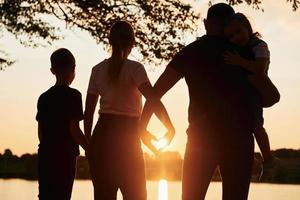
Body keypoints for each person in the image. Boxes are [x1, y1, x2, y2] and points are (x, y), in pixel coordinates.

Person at [140, 3, 279, 200]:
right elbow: (270, 97)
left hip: (200, 140)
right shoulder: (245, 52)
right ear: (230, 23)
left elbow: (156, 93)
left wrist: (142, 125)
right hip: (239, 140)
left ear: (206, 24)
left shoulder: (191, 52)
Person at [84, 20, 174, 200]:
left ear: (110, 41)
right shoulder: (135, 68)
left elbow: (89, 113)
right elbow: (153, 98)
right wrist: (169, 127)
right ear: (132, 43)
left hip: (102, 137)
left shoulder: (97, 70)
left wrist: (89, 145)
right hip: (128, 137)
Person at [223, 13, 280, 177]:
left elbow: (260, 69)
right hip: (242, 94)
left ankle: (268, 158)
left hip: (255, 92)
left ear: (247, 28)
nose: (235, 37)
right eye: (231, 36)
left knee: (256, 126)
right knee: (238, 128)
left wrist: (239, 61)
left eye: (238, 32)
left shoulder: (259, 46)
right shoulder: (238, 49)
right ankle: (251, 160)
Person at [36, 48, 89, 200]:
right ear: (73, 69)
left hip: (46, 154)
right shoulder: (74, 96)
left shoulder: (43, 98)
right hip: (66, 156)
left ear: (52, 70)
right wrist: (90, 150)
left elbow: (40, 132)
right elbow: (74, 128)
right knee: (62, 195)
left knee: (45, 196)